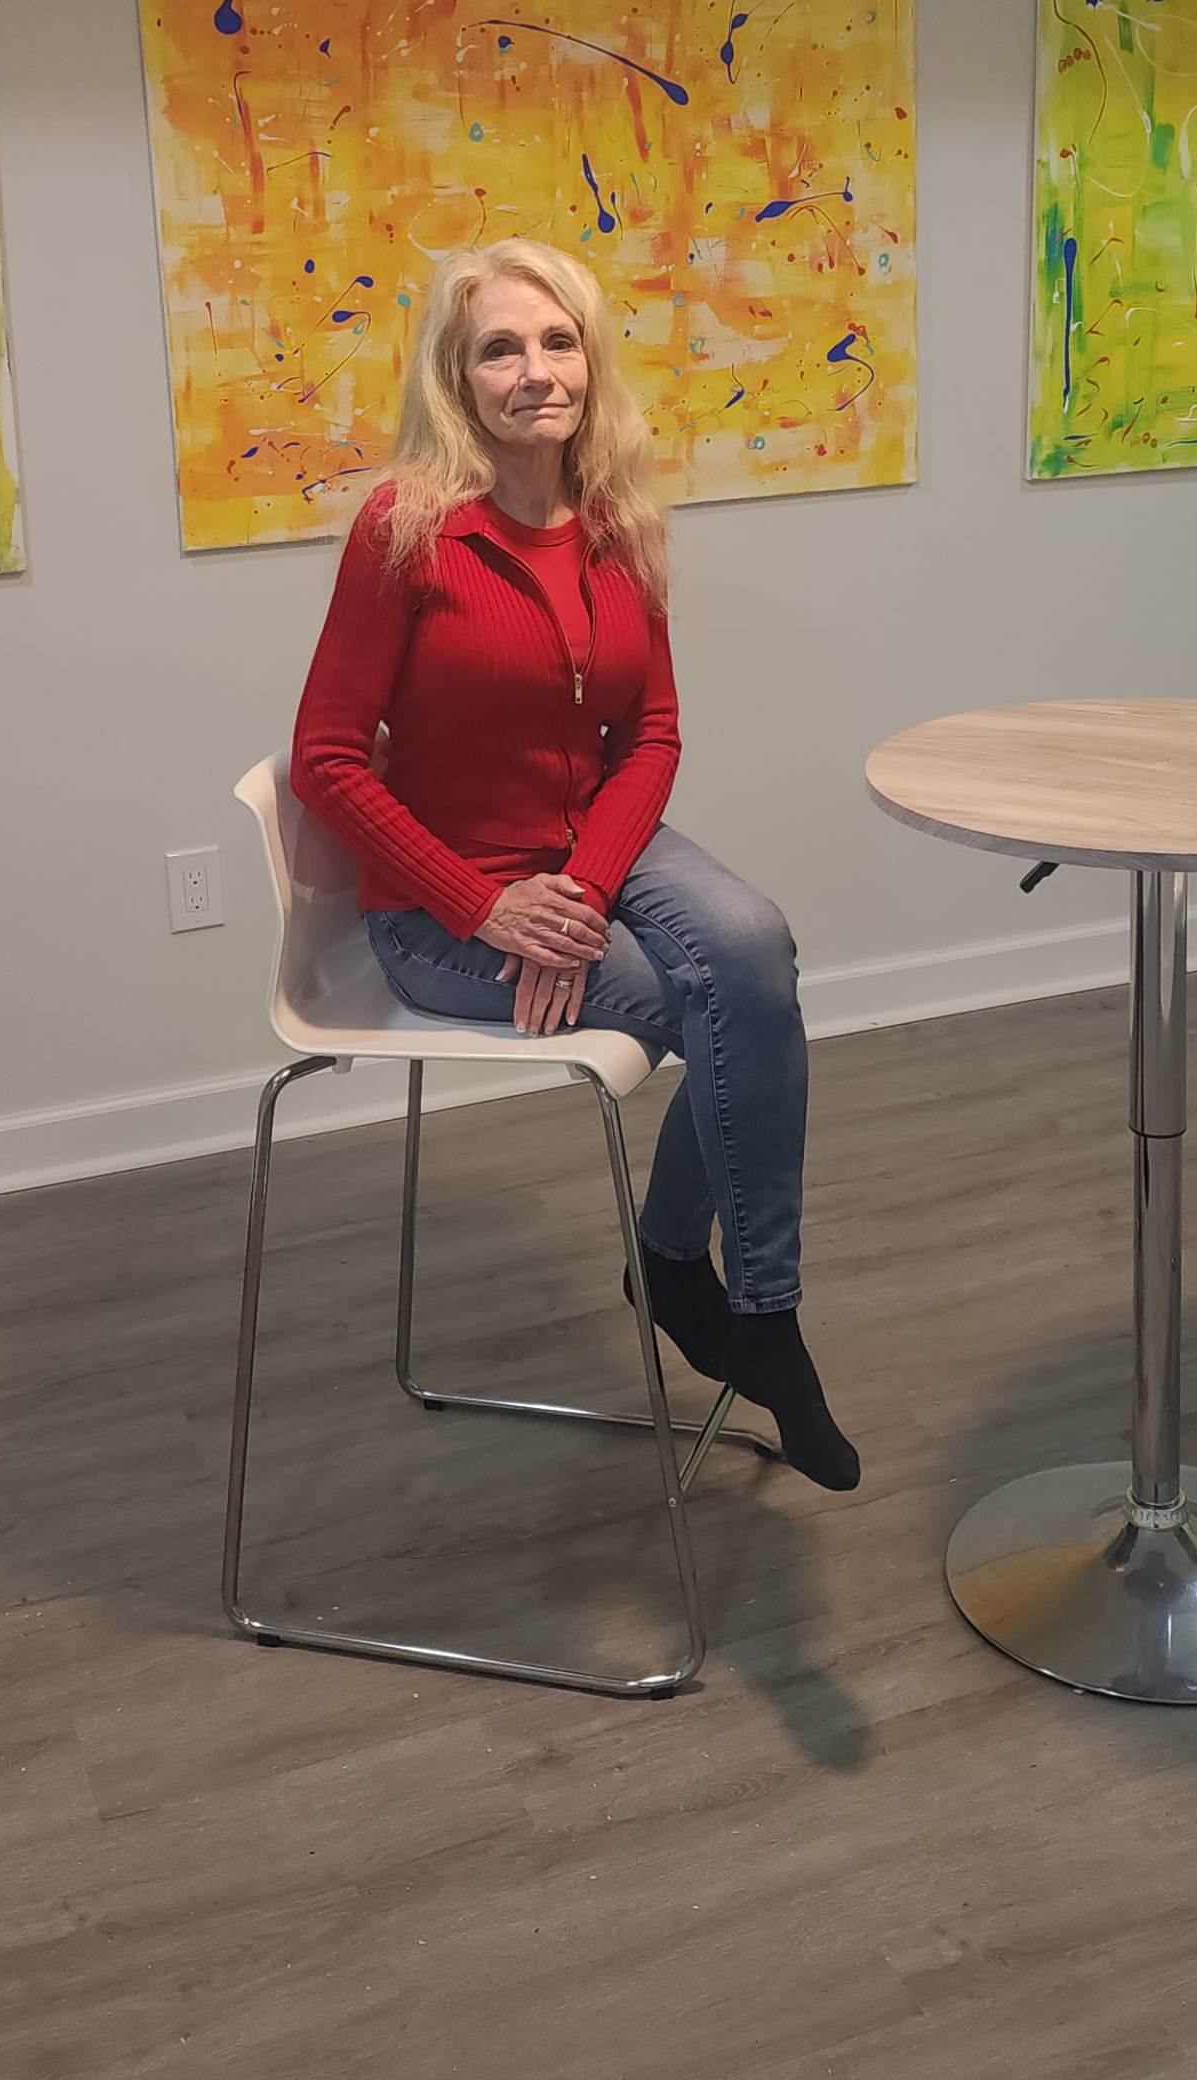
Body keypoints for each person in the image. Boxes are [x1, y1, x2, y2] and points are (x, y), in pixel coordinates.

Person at [288, 237, 858, 1490]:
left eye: (557, 341)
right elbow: (326, 759)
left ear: (590, 360)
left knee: (754, 951)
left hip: (584, 860)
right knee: (701, 1003)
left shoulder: (615, 520)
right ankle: (712, 1292)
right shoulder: (406, 530)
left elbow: (649, 735)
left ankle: (738, 1294)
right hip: (447, 909)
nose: (536, 371)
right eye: (501, 347)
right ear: (457, 375)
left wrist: (583, 897)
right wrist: (490, 910)